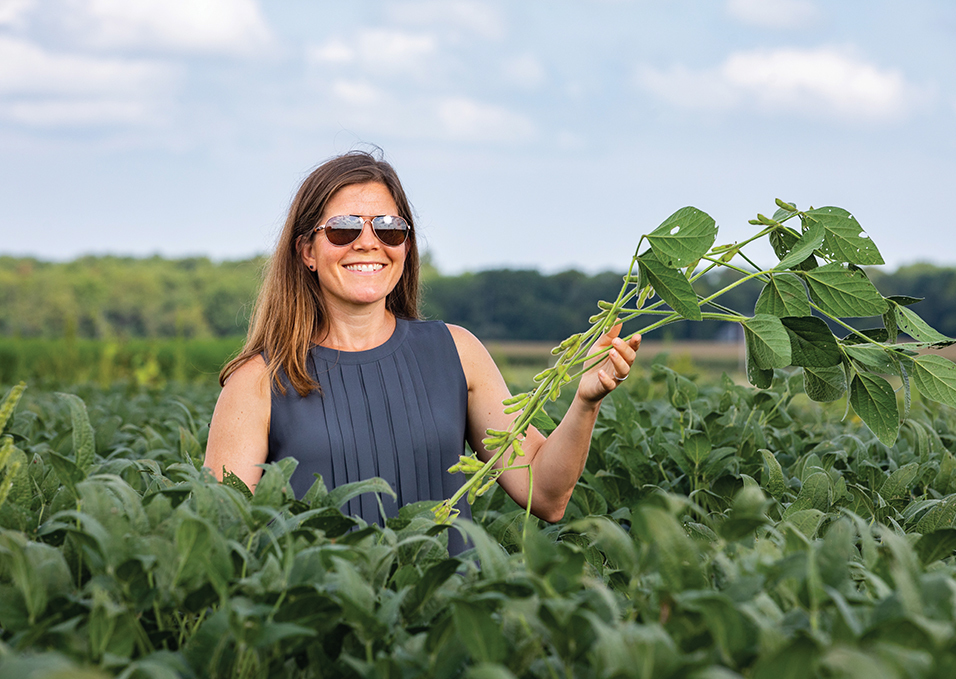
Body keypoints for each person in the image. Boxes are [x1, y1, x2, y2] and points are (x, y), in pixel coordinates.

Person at [203, 150, 640, 548]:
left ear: (406, 246)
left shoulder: (457, 351)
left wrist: (586, 401)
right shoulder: (258, 381)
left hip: (449, 621)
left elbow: (545, 494)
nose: (368, 242)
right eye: (343, 228)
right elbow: (222, 538)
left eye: (389, 229)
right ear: (306, 251)